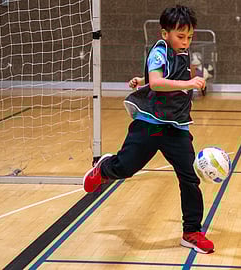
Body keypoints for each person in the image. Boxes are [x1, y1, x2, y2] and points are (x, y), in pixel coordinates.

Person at [82, 5, 214, 254]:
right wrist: (184, 82)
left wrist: (141, 80)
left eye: (189, 37)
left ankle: (192, 232)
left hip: (176, 126)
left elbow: (162, 75)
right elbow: (157, 82)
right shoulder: (159, 49)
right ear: (165, 34)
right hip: (150, 123)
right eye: (180, 37)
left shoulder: (182, 52)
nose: (185, 42)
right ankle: (106, 168)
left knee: (189, 177)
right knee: (125, 168)